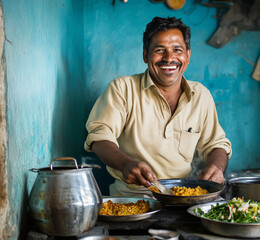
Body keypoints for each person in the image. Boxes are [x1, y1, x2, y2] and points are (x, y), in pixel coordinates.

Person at [84, 16, 232, 197]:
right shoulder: (122, 89)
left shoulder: (201, 95)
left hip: (183, 198)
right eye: (160, 50)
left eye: (177, 50)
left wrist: (216, 167)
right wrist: (125, 164)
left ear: (188, 55)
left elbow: (216, 144)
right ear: (145, 55)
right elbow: (99, 137)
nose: (169, 58)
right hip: (133, 198)